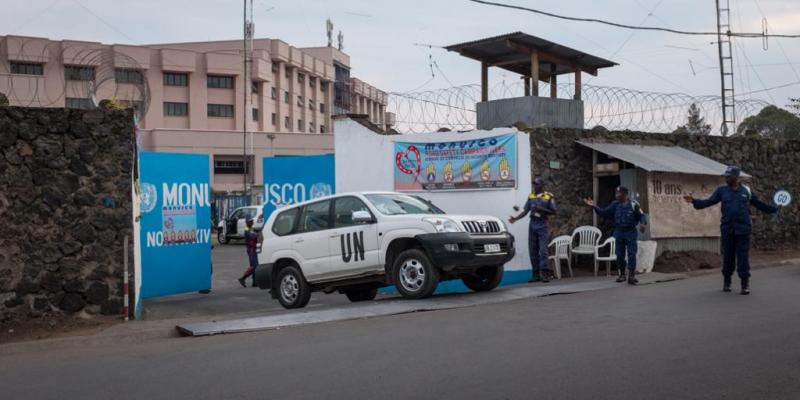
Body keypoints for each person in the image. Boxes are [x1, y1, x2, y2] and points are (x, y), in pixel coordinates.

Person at [683, 166, 777, 295]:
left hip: (743, 230)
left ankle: (745, 284)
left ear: (736, 177)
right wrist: (694, 201)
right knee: (728, 257)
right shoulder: (721, 191)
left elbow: (759, 204)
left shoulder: (746, 191)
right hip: (728, 230)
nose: (726, 178)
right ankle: (727, 281)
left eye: (728, 176)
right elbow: (708, 202)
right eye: (725, 176)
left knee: (743, 258)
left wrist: (773, 209)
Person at [584, 186, 647, 285]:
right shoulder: (615, 205)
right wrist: (594, 206)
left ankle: (631, 275)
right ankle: (622, 274)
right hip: (619, 232)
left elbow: (641, 216)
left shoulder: (634, 204)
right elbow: (604, 213)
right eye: (616, 193)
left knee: (631, 254)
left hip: (630, 232)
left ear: (625, 194)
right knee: (619, 255)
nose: (616, 195)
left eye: (619, 193)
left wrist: (643, 224)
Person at [509, 177, 557, 283]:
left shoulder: (548, 196)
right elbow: (526, 211)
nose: (535, 186)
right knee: (533, 250)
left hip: (543, 224)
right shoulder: (531, 197)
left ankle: (545, 274)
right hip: (533, 224)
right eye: (534, 184)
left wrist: (540, 209)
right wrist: (515, 219)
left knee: (543, 250)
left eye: (537, 184)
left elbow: (553, 211)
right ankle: (536, 275)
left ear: (542, 186)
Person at [237, 218, 260, 288]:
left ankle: (255, 282)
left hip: (253, 248)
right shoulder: (247, 229)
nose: (252, 222)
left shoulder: (251, 228)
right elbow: (252, 236)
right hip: (251, 249)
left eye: (252, 221)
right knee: (254, 266)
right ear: (247, 222)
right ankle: (242, 278)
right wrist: (257, 234)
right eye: (251, 221)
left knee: (254, 265)